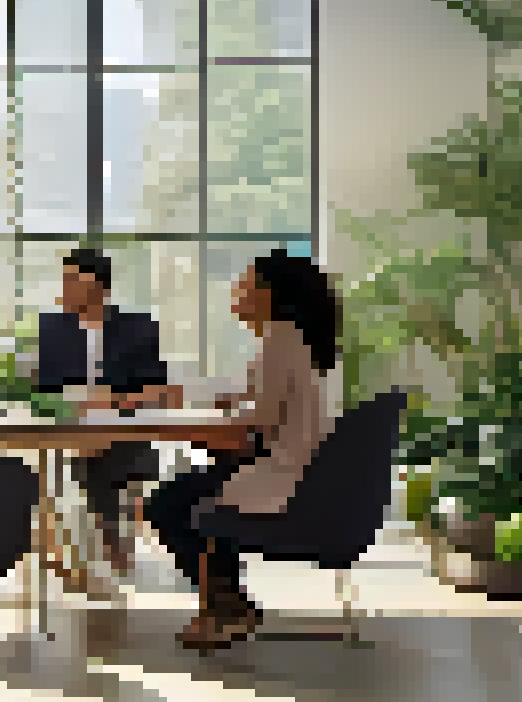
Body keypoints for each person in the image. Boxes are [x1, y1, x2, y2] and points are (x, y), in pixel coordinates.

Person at [144, 250, 341, 651]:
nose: (236, 290)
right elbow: (261, 404)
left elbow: (259, 419)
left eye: (245, 283)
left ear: (269, 294)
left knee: (168, 503)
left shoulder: (280, 338)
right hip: (293, 470)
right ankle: (226, 606)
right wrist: (219, 404)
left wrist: (180, 425)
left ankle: (226, 606)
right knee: (196, 492)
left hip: (283, 477)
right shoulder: (287, 338)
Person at [33, 248, 175, 574]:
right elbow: (45, 391)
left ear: (99, 286)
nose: (64, 287)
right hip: (70, 428)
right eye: (64, 279)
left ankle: (104, 554)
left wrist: (114, 401)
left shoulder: (138, 327)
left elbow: (157, 389)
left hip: (123, 426)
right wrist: (82, 403)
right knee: (86, 461)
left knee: (105, 459)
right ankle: (107, 553)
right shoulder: (53, 328)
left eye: (73, 280)